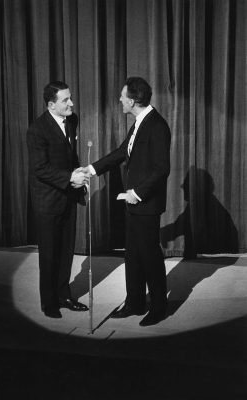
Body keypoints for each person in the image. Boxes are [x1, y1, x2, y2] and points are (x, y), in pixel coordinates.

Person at [85, 77, 171, 326]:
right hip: (133, 202)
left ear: (132, 101)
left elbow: (161, 169)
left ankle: (158, 307)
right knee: (132, 255)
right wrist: (91, 169)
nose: (120, 99)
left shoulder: (156, 125)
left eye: (123, 96)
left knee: (150, 256)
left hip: (145, 203)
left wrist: (137, 193)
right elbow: (122, 153)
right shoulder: (139, 123)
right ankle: (134, 302)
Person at [27, 81, 89, 318]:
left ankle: (64, 295)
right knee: (50, 253)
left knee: (66, 251)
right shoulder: (37, 130)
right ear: (51, 105)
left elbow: (69, 155)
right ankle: (49, 302)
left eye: (70, 97)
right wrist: (69, 178)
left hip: (68, 196)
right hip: (48, 201)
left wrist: (78, 176)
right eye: (65, 100)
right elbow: (40, 168)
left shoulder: (72, 120)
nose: (71, 103)